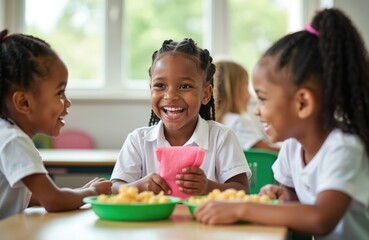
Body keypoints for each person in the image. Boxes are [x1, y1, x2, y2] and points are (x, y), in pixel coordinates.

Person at [195, 8, 369, 239]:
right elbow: (294, 207)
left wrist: (243, 207)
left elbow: (320, 219)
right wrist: (281, 197)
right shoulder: (292, 147)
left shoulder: (344, 148)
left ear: (302, 103)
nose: (256, 110)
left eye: (263, 99)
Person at [111, 38, 251, 196]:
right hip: (151, 221)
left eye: (185, 86)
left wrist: (208, 187)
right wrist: (138, 187)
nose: (170, 96)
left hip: (204, 220)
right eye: (160, 86)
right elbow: (114, 187)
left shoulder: (221, 137)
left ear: (205, 94)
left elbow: (243, 191)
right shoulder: (138, 140)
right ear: (151, 89)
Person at [0, 29, 112, 220]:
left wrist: (78, 193)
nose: (67, 102)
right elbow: (53, 201)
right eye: (60, 93)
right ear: (24, 103)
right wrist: (93, 192)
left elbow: (34, 198)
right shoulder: (13, 139)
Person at [213, 59, 279, 152]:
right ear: (231, 91)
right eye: (245, 87)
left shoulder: (213, 123)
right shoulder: (236, 122)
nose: (250, 95)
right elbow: (267, 151)